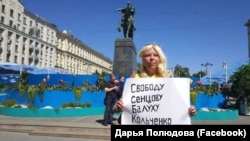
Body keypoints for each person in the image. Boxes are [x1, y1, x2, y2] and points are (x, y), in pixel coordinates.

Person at [113, 43, 197, 124]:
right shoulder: (134, 80)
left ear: (160, 59)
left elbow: (176, 108)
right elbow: (118, 107)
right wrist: (118, 107)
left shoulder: (169, 82)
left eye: (156, 55)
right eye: (147, 55)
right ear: (142, 59)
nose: (152, 58)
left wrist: (189, 111)